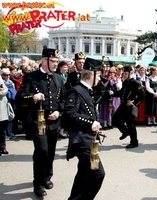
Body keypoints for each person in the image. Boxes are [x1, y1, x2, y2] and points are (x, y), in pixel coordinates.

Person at [16, 48, 66, 197]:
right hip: (38, 122)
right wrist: (33, 96)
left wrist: (59, 112)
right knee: (42, 151)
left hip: (54, 122)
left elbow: (63, 99)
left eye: (57, 61)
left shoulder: (58, 78)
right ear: (44, 60)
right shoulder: (32, 77)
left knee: (50, 152)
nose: (56, 64)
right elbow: (20, 97)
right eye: (53, 61)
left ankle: (46, 177)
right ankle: (37, 183)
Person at [64, 57, 105, 200]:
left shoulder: (88, 90)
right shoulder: (75, 91)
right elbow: (70, 114)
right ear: (91, 75)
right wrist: (90, 123)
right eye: (98, 74)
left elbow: (102, 93)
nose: (100, 78)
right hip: (81, 139)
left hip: (89, 138)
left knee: (83, 172)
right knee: (97, 173)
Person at [110, 65, 145, 148]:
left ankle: (134, 142)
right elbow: (121, 93)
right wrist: (113, 93)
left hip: (129, 107)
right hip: (123, 105)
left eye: (125, 73)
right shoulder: (125, 82)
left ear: (131, 73)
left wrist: (134, 102)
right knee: (115, 119)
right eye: (123, 73)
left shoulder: (135, 83)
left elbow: (142, 95)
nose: (124, 75)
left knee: (130, 124)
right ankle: (125, 132)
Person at [0, 75, 9, 156]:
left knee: (2, 129)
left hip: (2, 107)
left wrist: (3, 90)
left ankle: (2, 147)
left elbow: (5, 89)